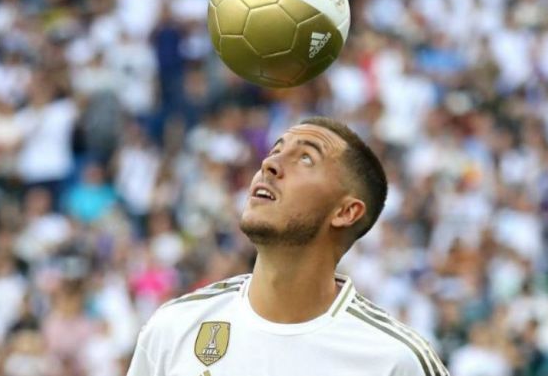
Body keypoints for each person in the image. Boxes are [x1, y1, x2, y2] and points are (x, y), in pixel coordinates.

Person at [126, 116, 449, 376]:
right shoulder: (174, 327)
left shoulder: (395, 360)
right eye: (274, 151)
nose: (270, 164)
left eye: (306, 158)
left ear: (345, 212)